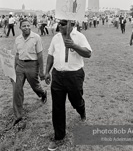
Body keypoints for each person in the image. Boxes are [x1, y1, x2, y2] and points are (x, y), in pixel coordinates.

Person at [44, 19, 92, 150]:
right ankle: (59, 136)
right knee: (57, 106)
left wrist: (74, 46)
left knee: (75, 100)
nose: (60, 25)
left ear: (72, 25)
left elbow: (88, 53)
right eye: (59, 23)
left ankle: (81, 109)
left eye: (63, 24)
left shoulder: (79, 37)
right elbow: (50, 54)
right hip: (58, 75)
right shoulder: (56, 37)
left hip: (74, 75)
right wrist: (47, 72)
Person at [13, 19, 47, 125]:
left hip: (32, 65)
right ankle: (18, 115)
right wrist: (13, 70)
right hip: (20, 65)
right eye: (24, 26)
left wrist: (41, 71)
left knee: (35, 86)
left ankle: (43, 93)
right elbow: (17, 55)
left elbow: (40, 55)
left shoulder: (36, 37)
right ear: (20, 28)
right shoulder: (18, 39)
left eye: (28, 25)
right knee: (16, 89)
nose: (27, 27)